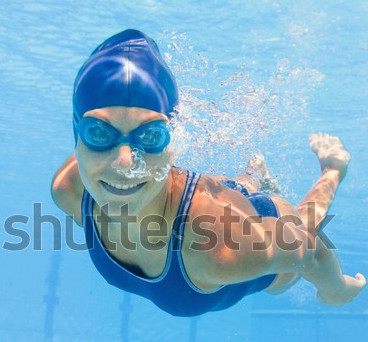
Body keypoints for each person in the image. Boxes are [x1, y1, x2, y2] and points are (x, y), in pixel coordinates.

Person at [51, 29, 366, 317]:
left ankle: (333, 167)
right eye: (99, 133)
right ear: (77, 137)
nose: (123, 163)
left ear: (174, 144)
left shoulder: (219, 247)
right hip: (211, 200)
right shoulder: (70, 190)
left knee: (296, 236)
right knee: (236, 188)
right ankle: (252, 174)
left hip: (242, 224)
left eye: (150, 137)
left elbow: (308, 249)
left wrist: (336, 289)